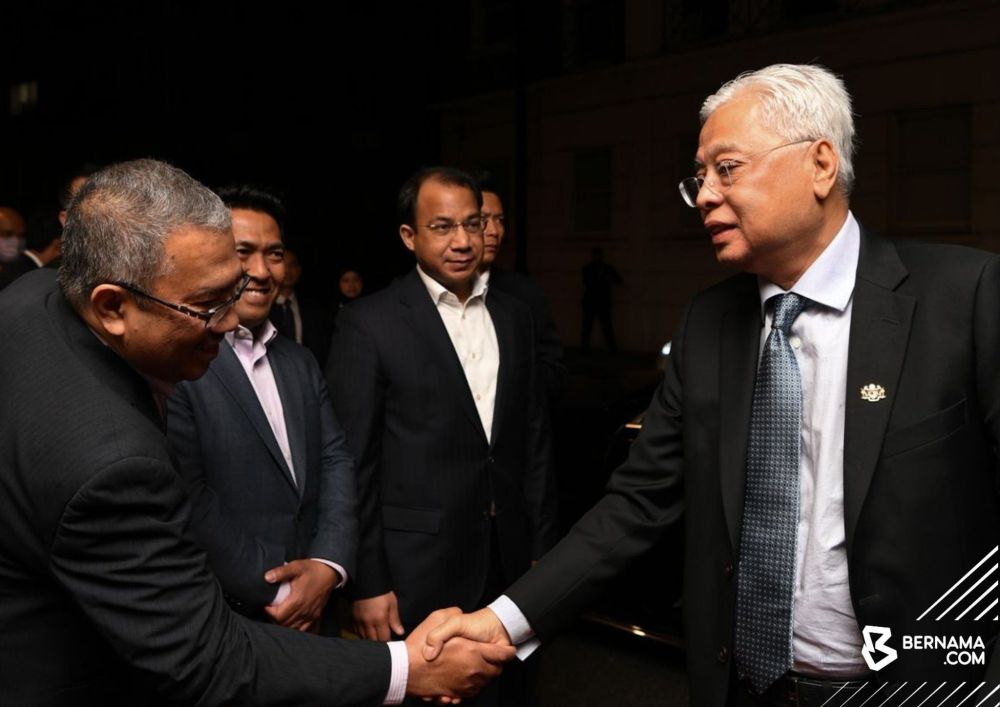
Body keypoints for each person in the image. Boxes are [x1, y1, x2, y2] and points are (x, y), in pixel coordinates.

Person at [423, 64, 1000, 704]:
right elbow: (636, 504)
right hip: (740, 686)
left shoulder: (966, 300)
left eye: (726, 169)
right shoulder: (708, 322)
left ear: (820, 165)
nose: (703, 196)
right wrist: (501, 620)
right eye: (698, 178)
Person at [0, 158, 513, 706]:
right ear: (112, 306)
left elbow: (338, 459)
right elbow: (209, 663)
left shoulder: (32, 296)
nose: (227, 324)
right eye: (206, 306)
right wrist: (408, 669)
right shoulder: (110, 464)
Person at [326, 166, 559, 703]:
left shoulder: (516, 315)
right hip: (416, 567)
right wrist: (369, 581)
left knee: (513, 688)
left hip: (510, 558)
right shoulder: (370, 323)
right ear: (410, 236)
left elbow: (535, 440)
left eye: (472, 224)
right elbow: (354, 462)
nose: (461, 241)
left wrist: (543, 549)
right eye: (442, 226)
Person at [166, 185, 355, 634]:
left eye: (275, 254)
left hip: (318, 606)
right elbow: (189, 495)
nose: (262, 271)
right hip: (231, 616)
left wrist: (327, 565)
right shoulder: (180, 362)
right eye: (242, 252)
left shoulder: (300, 361)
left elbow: (336, 461)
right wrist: (281, 589)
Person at [475, 172, 566, 404]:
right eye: (482, 220)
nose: (494, 231)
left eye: (500, 220)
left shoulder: (524, 293)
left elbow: (552, 371)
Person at [269, 246, 334, 364]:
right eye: (284, 264)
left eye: (292, 265)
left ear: (299, 270)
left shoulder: (313, 309)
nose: (288, 271)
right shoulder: (265, 309)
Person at [579, 246, 622, 353]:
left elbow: (618, 280)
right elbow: (586, 281)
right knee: (587, 325)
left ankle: (612, 348)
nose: (597, 258)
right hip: (591, 301)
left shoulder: (607, 268)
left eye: (599, 255)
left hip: (603, 302)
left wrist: (608, 277)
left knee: (606, 325)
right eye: (595, 255)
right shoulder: (587, 268)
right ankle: (584, 348)